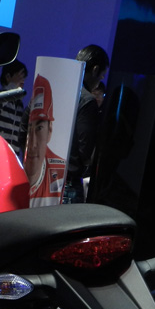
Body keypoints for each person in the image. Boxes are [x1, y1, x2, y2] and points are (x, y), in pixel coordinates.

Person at [66, 44, 109, 203]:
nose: (100, 80)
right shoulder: (87, 101)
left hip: (40, 176)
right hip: (68, 182)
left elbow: (25, 125)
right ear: (95, 69)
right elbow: (85, 148)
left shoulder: (53, 88)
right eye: (102, 75)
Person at [24, 75, 66, 207]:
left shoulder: (61, 174)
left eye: (39, 128)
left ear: (50, 130)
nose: (32, 144)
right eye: (29, 129)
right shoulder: (10, 172)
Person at [0, 59, 27, 156]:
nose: (22, 81)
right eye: (19, 76)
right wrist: (12, 87)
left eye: (24, 78)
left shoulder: (19, 105)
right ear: (8, 77)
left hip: (11, 156)